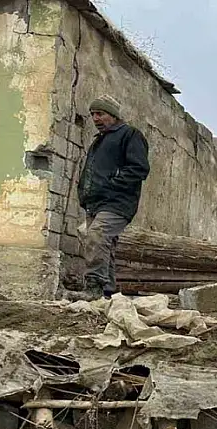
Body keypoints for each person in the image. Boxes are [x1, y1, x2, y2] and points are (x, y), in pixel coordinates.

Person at [72, 95, 150, 300]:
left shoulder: (130, 135)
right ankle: (108, 290)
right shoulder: (99, 141)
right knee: (102, 242)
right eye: (92, 115)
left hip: (117, 202)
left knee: (97, 235)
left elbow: (139, 169)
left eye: (100, 113)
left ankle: (94, 287)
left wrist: (112, 185)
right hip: (95, 202)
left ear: (113, 115)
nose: (95, 118)